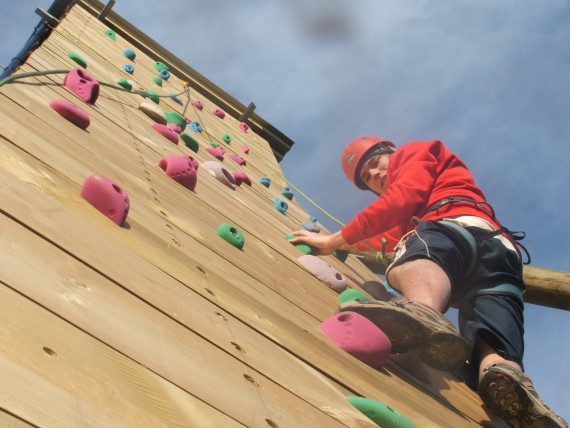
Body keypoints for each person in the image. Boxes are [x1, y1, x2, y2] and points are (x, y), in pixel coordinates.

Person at [290, 136, 567, 428]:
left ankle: (423, 310)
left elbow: (402, 199)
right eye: (367, 178)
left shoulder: (413, 153)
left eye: (375, 163)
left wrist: (334, 240)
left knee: (409, 257)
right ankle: (508, 379)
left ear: (390, 153)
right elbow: (382, 240)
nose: (375, 176)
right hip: (500, 252)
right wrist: (345, 245)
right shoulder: (416, 203)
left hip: (452, 229)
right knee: (493, 341)